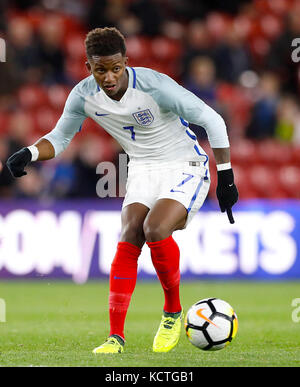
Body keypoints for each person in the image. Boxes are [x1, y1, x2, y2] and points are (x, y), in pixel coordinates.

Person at [6, 27, 238, 354]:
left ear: (126, 62)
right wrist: (29, 153)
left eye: (116, 68)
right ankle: (116, 337)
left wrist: (226, 177)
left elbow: (213, 120)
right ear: (89, 67)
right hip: (142, 167)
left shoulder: (156, 87)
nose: (109, 76)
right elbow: (59, 139)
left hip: (184, 163)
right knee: (130, 234)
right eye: (101, 69)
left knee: (155, 228)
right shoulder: (83, 94)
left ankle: (172, 311)